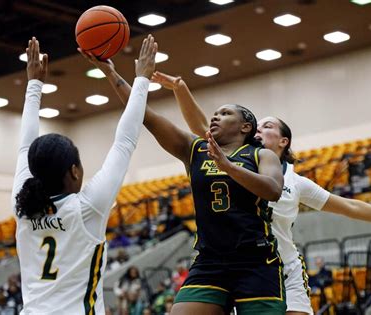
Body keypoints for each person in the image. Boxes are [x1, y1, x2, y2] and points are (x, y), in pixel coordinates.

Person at [150, 71, 371, 315]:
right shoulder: (232, 156)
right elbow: (203, 130)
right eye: (257, 126)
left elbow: (349, 207)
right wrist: (180, 89)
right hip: (237, 264)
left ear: (283, 141)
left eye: (267, 127)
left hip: (282, 267)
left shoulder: (295, 182)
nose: (259, 130)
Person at [80, 52, 286, 315]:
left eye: (224, 114)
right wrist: (111, 73)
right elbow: (146, 116)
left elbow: (273, 190)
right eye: (214, 113)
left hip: (256, 260)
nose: (215, 117)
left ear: (246, 127)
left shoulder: (261, 155)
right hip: (210, 261)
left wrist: (228, 167)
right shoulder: (195, 149)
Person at [11, 35, 156, 314]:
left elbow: (24, 147)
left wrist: (34, 85)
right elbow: (125, 141)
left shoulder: (22, 206)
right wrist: (142, 79)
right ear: (74, 171)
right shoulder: (87, 208)